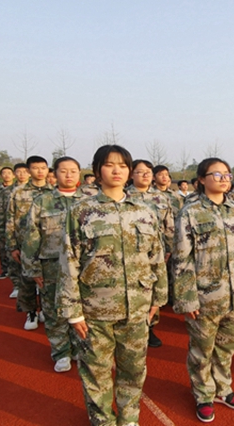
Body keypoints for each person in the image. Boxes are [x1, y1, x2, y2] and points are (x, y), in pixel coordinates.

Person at [58, 145, 167, 426]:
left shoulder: (145, 211)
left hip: (137, 307)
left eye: (122, 165)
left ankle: (129, 418)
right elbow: (69, 261)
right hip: (95, 309)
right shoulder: (82, 211)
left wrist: (158, 299)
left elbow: (156, 257)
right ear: (97, 171)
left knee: (133, 369)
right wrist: (73, 311)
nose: (116, 170)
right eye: (109, 165)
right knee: (96, 371)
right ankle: (103, 420)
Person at [173, 158, 234, 423]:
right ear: (201, 179)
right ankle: (203, 395)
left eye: (227, 175)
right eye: (217, 174)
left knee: (226, 347)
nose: (223, 179)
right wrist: (187, 298)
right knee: (202, 350)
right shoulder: (190, 212)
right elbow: (182, 258)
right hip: (205, 295)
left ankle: (223, 388)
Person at [22, 156, 87, 373]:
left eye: (73, 171)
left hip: (83, 267)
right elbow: (32, 236)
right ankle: (61, 352)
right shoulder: (43, 201)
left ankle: (78, 346)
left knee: (82, 307)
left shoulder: (90, 200)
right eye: (63, 171)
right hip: (52, 266)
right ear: (55, 174)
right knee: (54, 310)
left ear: (79, 173)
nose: (69, 175)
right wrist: (33, 268)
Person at [126, 159, 175, 348]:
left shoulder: (161, 198)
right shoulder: (125, 196)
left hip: (156, 251)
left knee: (154, 287)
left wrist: (169, 248)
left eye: (148, 172)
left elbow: (169, 225)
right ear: (131, 175)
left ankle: (150, 326)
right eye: (140, 172)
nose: (145, 175)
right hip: (132, 252)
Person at [6, 156, 54, 330]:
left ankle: (46, 310)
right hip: (25, 245)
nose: (40, 171)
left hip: (49, 245)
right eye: (35, 168)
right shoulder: (18, 193)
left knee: (48, 281)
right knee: (27, 280)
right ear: (28, 171)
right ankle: (31, 312)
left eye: (43, 168)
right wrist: (12, 246)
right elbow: (10, 220)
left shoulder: (54, 192)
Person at [0, 163, 30, 297]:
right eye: (19, 172)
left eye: (25, 171)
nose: (22, 174)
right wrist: (2, 231)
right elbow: (1, 212)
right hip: (15, 230)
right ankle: (17, 285)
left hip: (32, 231)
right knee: (14, 260)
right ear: (14, 174)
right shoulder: (8, 191)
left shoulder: (37, 190)